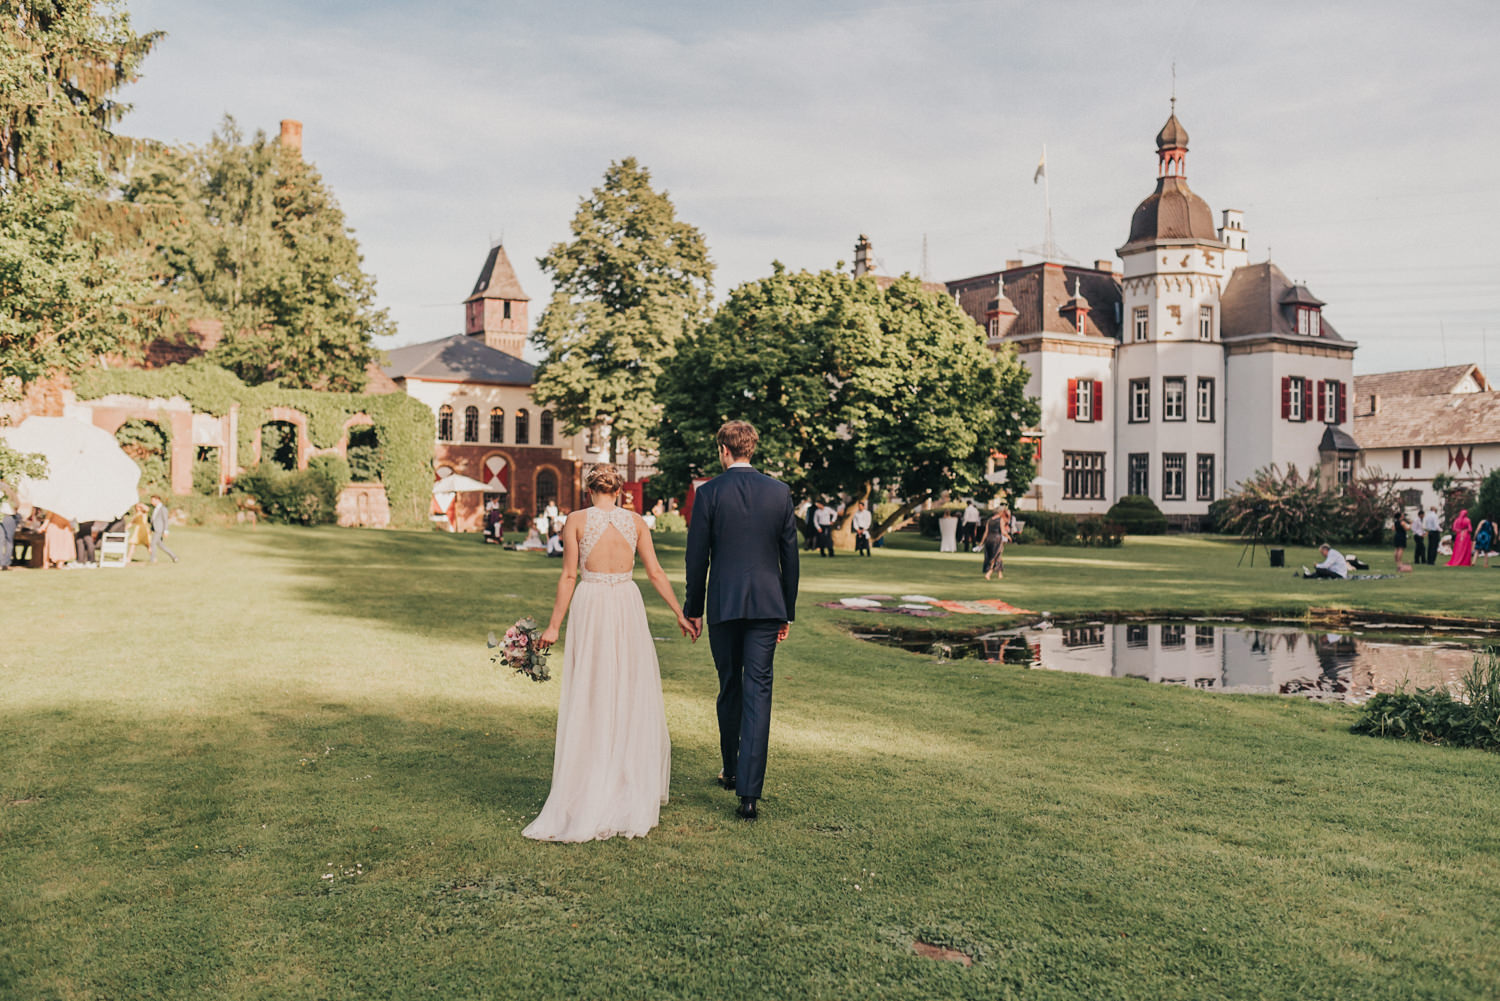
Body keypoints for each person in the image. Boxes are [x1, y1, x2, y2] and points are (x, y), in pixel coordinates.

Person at [525, 463, 693, 843]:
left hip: (593, 603)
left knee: (592, 686)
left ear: (589, 490)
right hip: (626, 604)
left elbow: (569, 575)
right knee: (627, 688)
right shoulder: (636, 522)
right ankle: (621, 777)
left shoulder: (576, 520)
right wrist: (679, 613)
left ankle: (593, 778)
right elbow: (655, 573)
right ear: (619, 491)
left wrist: (554, 626)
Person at [685, 420, 799, 823]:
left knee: (730, 684)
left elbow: (697, 557)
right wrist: (787, 610)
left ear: (723, 450)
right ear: (752, 449)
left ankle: (731, 770)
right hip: (768, 607)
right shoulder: (780, 492)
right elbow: (790, 558)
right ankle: (748, 795)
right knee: (758, 692)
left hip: (725, 606)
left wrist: (692, 608)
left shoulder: (709, 493)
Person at [982, 507, 1011, 580]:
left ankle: (1000, 574)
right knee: (995, 557)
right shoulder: (1000, 520)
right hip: (996, 540)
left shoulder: (989, 520)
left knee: (997, 556)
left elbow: (986, 532)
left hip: (989, 539)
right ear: (1000, 512)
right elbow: (1003, 532)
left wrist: (982, 542)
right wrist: (1009, 537)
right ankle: (989, 573)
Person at [148, 495, 178, 564]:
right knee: (161, 545)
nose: (151, 502)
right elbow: (154, 519)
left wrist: (166, 531)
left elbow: (165, 520)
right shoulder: (155, 508)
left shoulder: (163, 509)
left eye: (152, 500)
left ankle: (152, 559)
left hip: (159, 529)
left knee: (153, 543)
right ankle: (174, 557)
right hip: (155, 529)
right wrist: (151, 529)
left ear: (157, 500)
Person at [0, 484, 16, 571]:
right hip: (8, 515)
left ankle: (2, 563)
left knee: (1, 540)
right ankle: (6, 563)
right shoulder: (9, 487)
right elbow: (17, 503)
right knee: (9, 541)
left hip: (3, 515)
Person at [1392, 508, 1411, 572]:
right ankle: (1399, 560)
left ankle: (1396, 560)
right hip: (1402, 536)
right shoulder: (1402, 522)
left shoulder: (1395, 522)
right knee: (1401, 549)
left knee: (1396, 548)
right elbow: (1407, 529)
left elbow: (1393, 529)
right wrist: (1411, 525)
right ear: (1400, 516)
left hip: (1396, 535)